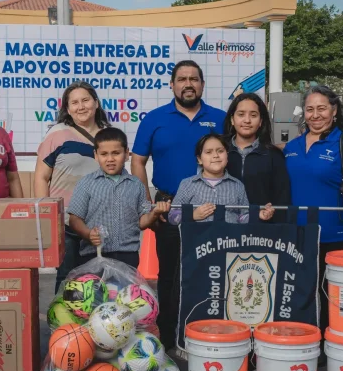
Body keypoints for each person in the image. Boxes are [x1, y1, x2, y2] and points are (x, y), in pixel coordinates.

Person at [131, 60, 227, 351]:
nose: (188, 84)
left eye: (194, 79)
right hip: (170, 207)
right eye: (182, 79)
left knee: (213, 274)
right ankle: (169, 337)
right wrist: (149, 205)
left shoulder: (221, 118)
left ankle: (212, 334)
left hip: (214, 209)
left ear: (202, 85)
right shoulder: (155, 119)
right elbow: (138, 161)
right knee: (170, 276)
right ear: (172, 85)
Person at [283, 86, 343, 339]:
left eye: (321, 108)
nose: (315, 115)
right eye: (310, 109)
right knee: (300, 292)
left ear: (334, 111)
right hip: (297, 235)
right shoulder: (292, 146)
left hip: (334, 234)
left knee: (329, 294)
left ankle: (331, 343)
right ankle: (304, 341)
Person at [35, 82, 108, 292]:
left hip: (98, 224)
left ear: (96, 103)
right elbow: (41, 177)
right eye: (74, 103)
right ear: (67, 109)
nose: (81, 106)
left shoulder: (108, 135)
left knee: (96, 281)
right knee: (67, 280)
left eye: (85, 100)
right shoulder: (57, 134)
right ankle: (62, 315)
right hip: (65, 223)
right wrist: (47, 218)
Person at [67, 127, 170, 268]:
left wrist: (154, 214)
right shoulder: (86, 183)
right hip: (94, 255)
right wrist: (88, 234)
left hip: (128, 256)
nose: (110, 159)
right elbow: (74, 219)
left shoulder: (137, 185)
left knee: (125, 286)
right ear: (96, 155)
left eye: (116, 153)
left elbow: (142, 222)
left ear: (127, 154)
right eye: (104, 154)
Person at [168, 134, 275, 226]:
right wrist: (193, 215)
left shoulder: (237, 185)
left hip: (229, 241)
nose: (215, 155)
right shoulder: (187, 184)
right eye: (208, 152)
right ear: (199, 159)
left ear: (227, 156)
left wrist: (258, 215)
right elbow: (172, 216)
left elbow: (242, 217)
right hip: (198, 242)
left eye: (220, 151)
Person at [223, 92, 291, 223]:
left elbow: (282, 199)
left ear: (260, 121)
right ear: (232, 119)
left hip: (262, 228)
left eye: (253, 115)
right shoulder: (220, 151)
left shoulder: (273, 155)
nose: (247, 120)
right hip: (225, 228)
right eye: (241, 114)